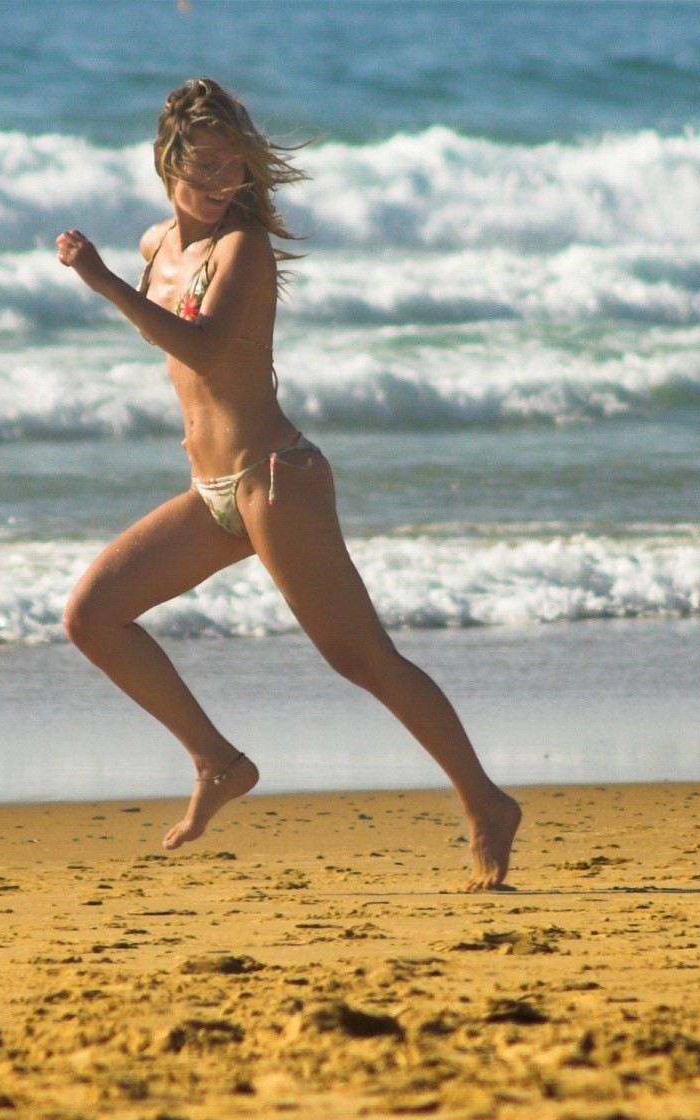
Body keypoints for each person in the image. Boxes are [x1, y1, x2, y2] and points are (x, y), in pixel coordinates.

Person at [55, 78, 519, 890]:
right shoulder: (155, 244)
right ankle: (218, 763)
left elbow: (203, 350)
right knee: (92, 615)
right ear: (168, 163)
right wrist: (119, 274)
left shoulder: (245, 247)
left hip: (276, 480)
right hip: (212, 495)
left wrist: (103, 284)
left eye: (235, 167)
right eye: (204, 166)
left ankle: (485, 802)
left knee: (361, 657)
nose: (223, 181)